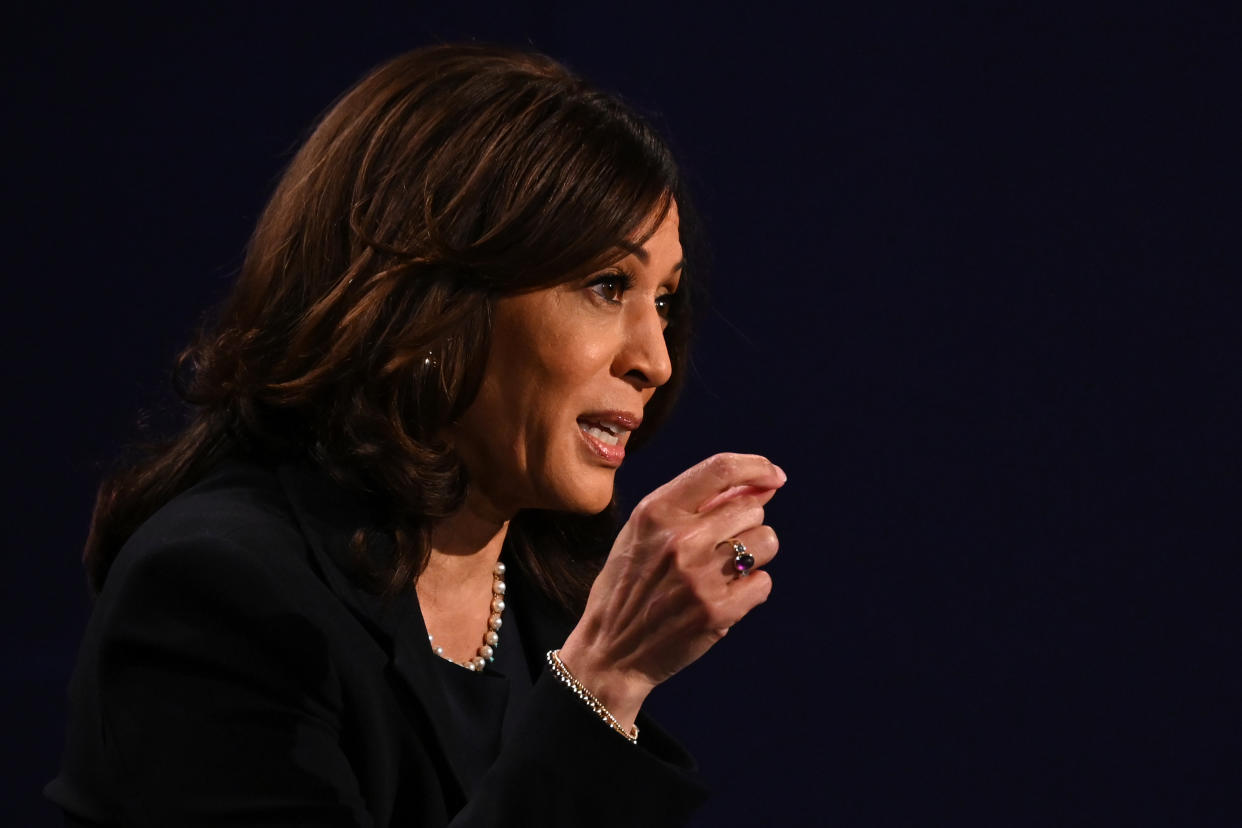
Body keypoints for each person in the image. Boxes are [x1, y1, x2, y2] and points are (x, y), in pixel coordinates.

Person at [47, 43, 784, 827]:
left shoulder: (550, 600)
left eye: (664, 302)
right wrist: (604, 685)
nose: (656, 360)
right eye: (607, 286)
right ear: (435, 300)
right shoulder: (220, 591)